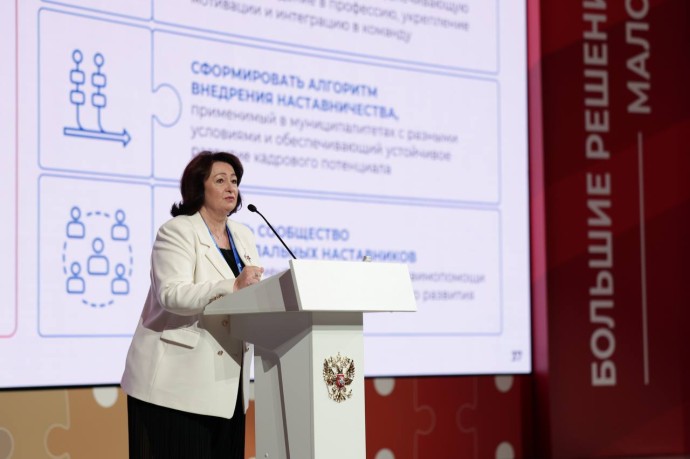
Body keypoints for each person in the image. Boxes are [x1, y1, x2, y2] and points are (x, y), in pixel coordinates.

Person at [121, 151, 264, 458]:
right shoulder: (177, 231)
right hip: (176, 387)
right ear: (199, 187)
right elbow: (172, 294)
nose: (231, 187)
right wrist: (232, 286)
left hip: (228, 385)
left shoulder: (243, 235)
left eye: (234, 181)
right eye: (220, 180)